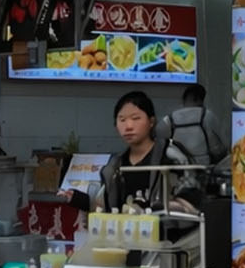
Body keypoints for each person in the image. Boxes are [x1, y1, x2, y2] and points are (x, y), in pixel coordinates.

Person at [70, 92, 204, 216]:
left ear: (151, 122)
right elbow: (105, 206)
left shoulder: (171, 155)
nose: (128, 126)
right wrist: (76, 198)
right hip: (127, 238)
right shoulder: (115, 165)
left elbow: (191, 202)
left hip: (170, 239)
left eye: (136, 118)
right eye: (122, 120)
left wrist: (148, 211)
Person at [157, 84, 228, 167]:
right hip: (205, 167)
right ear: (200, 99)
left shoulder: (170, 119)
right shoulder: (207, 115)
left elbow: (157, 138)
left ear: (184, 100)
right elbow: (221, 145)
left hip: (180, 169)